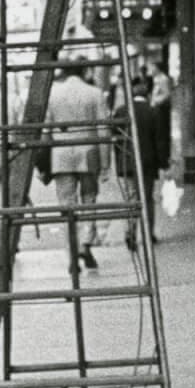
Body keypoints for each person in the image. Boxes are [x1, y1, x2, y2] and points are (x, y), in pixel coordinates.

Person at [45, 57, 108, 270]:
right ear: (83, 72)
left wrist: (43, 162)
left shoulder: (53, 94)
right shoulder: (95, 93)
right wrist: (105, 163)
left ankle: (72, 254)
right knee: (89, 199)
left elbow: (46, 129)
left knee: (67, 206)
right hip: (89, 153)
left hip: (61, 155)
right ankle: (85, 243)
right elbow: (103, 129)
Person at [112, 69, 166, 249]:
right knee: (147, 198)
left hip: (127, 162)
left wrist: (119, 159)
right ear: (147, 91)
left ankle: (130, 232)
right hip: (147, 163)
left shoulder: (120, 112)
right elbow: (159, 140)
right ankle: (148, 234)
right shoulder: (153, 111)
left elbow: (115, 139)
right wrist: (163, 162)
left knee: (130, 198)